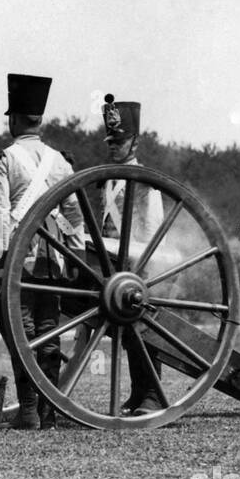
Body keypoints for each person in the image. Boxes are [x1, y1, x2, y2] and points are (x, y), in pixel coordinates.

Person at [0, 73, 85, 430]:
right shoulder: (60, 161)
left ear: (13, 119)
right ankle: (48, 410)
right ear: (38, 120)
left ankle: (28, 410)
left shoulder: (4, 160)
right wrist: (75, 254)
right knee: (49, 332)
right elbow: (73, 212)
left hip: (20, 261)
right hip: (53, 259)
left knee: (23, 334)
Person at [99, 94, 168, 416]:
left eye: (120, 140)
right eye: (111, 140)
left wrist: (143, 269)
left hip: (138, 265)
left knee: (143, 332)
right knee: (128, 335)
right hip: (114, 264)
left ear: (135, 142)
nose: (114, 145)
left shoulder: (143, 182)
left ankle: (152, 394)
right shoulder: (110, 177)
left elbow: (152, 228)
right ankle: (138, 392)